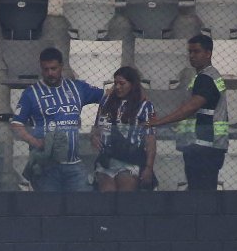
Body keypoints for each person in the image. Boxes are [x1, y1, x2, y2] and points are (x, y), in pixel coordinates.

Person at [9, 46, 104, 193]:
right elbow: (16, 125)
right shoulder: (31, 93)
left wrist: (96, 128)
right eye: (45, 69)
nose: (50, 73)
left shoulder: (77, 88)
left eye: (53, 68)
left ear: (61, 66)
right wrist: (35, 141)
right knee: (49, 209)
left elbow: (108, 98)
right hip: (47, 165)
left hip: (74, 164)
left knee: (81, 208)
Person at [147, 34, 229, 191]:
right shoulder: (206, 76)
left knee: (201, 192)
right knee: (201, 191)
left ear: (208, 53)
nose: (191, 56)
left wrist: (160, 121)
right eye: (189, 52)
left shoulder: (205, 78)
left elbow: (191, 107)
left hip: (204, 146)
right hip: (206, 145)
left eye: (196, 51)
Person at [92, 67, 156, 192]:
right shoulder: (106, 101)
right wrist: (94, 136)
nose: (117, 87)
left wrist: (149, 167)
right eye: (115, 83)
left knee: (124, 196)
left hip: (129, 160)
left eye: (122, 84)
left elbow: (150, 139)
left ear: (132, 84)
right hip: (107, 160)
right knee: (107, 196)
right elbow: (96, 127)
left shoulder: (145, 107)